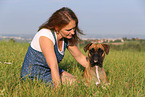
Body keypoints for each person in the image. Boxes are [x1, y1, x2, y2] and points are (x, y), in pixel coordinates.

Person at [21, 7, 88, 88]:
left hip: (48, 70)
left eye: (74, 28)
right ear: (57, 27)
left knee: (79, 82)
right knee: (74, 83)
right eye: (69, 29)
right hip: (33, 75)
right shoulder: (45, 36)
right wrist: (58, 91)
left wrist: (99, 69)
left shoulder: (67, 37)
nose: (73, 32)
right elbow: (54, 66)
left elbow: (80, 57)